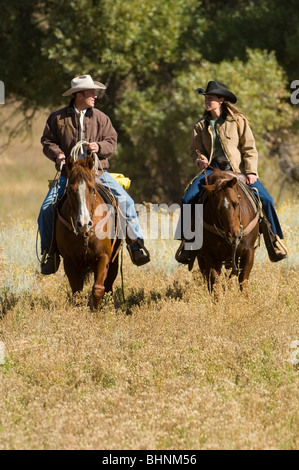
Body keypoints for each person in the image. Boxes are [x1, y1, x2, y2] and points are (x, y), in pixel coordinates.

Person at [38, 74, 150, 274]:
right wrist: (59, 155)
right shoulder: (57, 118)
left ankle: (136, 244)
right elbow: (47, 142)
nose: (95, 96)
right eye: (91, 92)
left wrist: (99, 146)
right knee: (46, 210)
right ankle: (50, 253)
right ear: (79, 95)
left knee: (126, 202)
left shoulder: (101, 117)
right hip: (68, 175)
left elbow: (111, 141)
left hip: (97, 174)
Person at [175, 80, 288, 264]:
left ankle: (273, 241)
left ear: (221, 100)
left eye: (210, 98)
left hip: (237, 171)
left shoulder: (237, 121)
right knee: (187, 199)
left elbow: (249, 148)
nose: (206, 101)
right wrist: (199, 159)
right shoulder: (200, 125)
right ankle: (188, 244)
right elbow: (195, 150)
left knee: (266, 199)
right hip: (211, 172)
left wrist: (251, 172)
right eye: (206, 98)